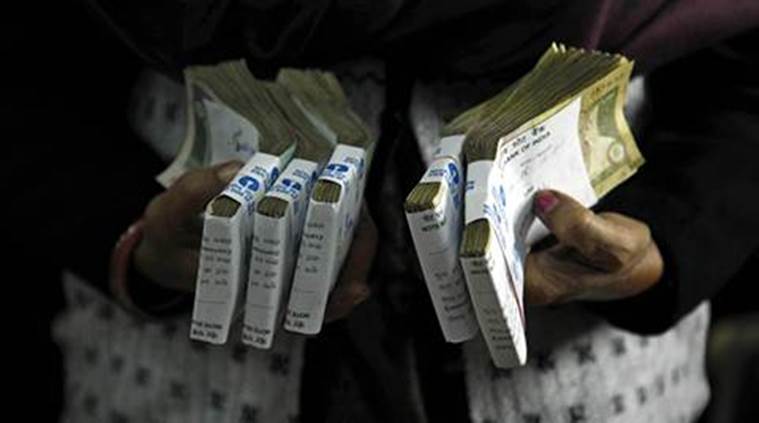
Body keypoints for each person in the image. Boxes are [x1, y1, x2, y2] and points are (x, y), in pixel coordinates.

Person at [5, 1, 758, 422]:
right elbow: (27, 67)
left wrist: (667, 241)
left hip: (584, 381)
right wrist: (130, 238)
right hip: (184, 379)